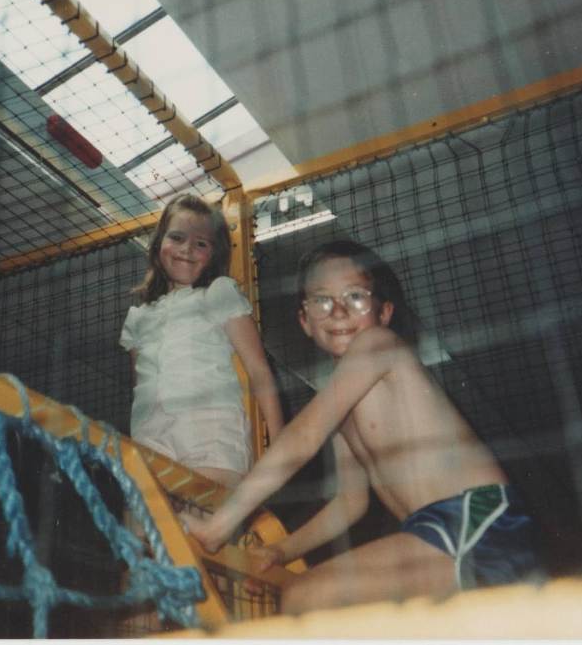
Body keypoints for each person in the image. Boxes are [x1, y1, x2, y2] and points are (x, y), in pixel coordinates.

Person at [183, 240, 541, 614]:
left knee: (307, 597)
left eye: (355, 297)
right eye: (322, 300)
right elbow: (350, 502)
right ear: (304, 320)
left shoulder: (377, 344)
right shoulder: (342, 396)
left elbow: (303, 437)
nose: (338, 311)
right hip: (432, 529)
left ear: (384, 312)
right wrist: (282, 550)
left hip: (477, 519)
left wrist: (220, 524)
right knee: (312, 598)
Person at [120, 194, 283, 488]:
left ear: (213, 255)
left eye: (201, 243)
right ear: (158, 246)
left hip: (209, 434)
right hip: (150, 437)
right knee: (145, 527)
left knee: (206, 523)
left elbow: (259, 370)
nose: (187, 249)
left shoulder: (217, 293)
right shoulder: (138, 317)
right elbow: (139, 386)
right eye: (177, 237)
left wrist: (281, 446)